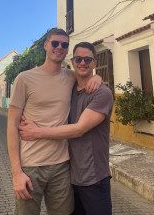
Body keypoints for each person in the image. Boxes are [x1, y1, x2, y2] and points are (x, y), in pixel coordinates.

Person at [7, 29, 102, 215]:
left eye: (64, 45)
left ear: (67, 50)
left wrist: (98, 77)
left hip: (62, 167)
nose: (59, 47)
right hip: (31, 166)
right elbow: (11, 127)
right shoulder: (24, 79)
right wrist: (16, 173)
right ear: (46, 45)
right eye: (55, 43)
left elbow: (88, 75)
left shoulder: (70, 76)